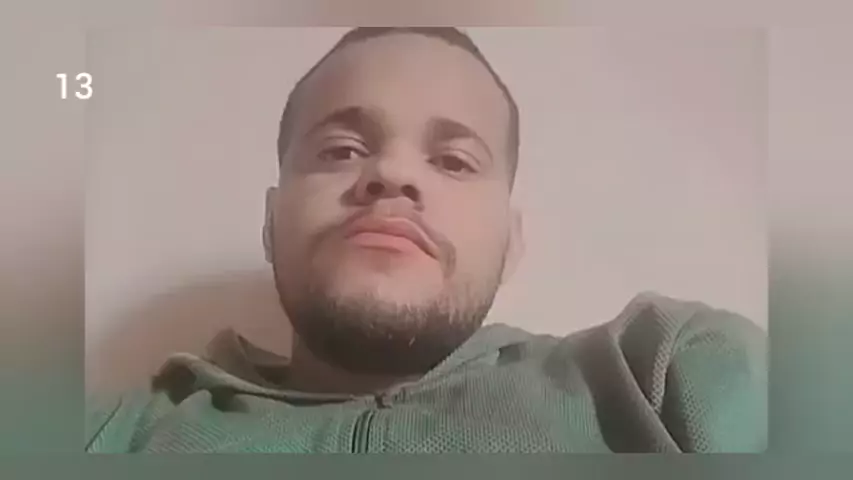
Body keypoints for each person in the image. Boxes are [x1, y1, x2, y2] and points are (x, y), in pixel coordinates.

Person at [85, 27, 766, 453]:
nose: (392, 175)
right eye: (342, 149)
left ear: (511, 242)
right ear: (269, 223)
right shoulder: (109, 437)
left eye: (454, 161)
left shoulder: (668, 373)